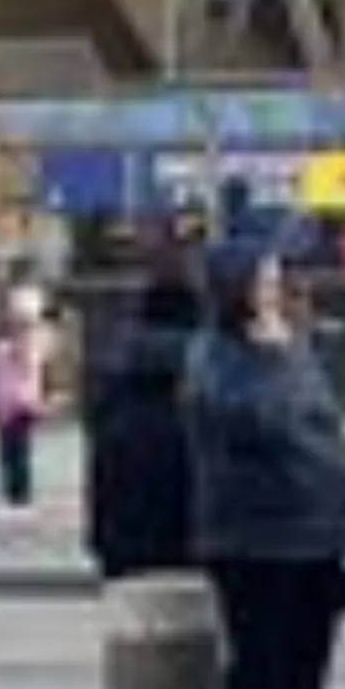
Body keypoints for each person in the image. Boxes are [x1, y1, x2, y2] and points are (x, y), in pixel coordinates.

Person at [188, 246, 345, 689]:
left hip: (315, 525)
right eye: (263, 280)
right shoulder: (214, 355)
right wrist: (272, 359)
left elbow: (320, 416)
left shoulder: (292, 345)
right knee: (259, 663)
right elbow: (256, 420)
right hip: (251, 530)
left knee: (306, 658)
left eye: (275, 279)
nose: (273, 290)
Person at [84, 243, 202, 582]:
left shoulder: (113, 383)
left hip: (123, 549)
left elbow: (99, 470)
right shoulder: (209, 380)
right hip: (191, 547)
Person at [0, 284, 55, 522]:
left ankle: (20, 497)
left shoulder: (30, 340)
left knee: (17, 451)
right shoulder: (6, 341)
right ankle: (12, 495)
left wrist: (23, 338)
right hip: (5, 402)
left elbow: (30, 362)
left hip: (21, 402)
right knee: (9, 452)